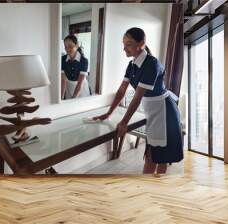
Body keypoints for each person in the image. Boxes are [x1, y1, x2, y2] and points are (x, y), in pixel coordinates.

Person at [93, 27, 183, 175]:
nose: (124, 48)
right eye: (123, 44)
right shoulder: (132, 64)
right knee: (151, 156)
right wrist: (108, 113)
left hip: (164, 113)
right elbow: (122, 90)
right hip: (153, 110)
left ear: (141, 43)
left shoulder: (151, 64)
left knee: (158, 158)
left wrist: (124, 122)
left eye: (128, 44)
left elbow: (137, 96)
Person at [61, 35, 91, 99]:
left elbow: (80, 83)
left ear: (77, 45)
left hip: (82, 90)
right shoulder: (62, 59)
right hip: (69, 88)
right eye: (65, 47)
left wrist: (73, 98)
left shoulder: (83, 61)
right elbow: (63, 80)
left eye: (70, 46)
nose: (67, 49)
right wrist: (61, 97)